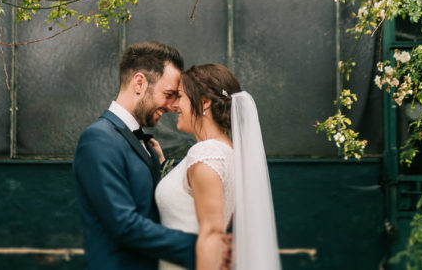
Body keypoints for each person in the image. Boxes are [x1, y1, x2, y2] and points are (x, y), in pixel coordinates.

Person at [73, 41, 197, 269]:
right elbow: (124, 225)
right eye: (169, 94)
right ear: (139, 82)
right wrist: (199, 247)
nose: (172, 106)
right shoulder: (99, 139)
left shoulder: (146, 144)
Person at [153, 63, 281, 270]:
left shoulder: (206, 154)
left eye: (180, 97)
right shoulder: (227, 154)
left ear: (204, 103)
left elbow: (212, 234)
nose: (174, 106)